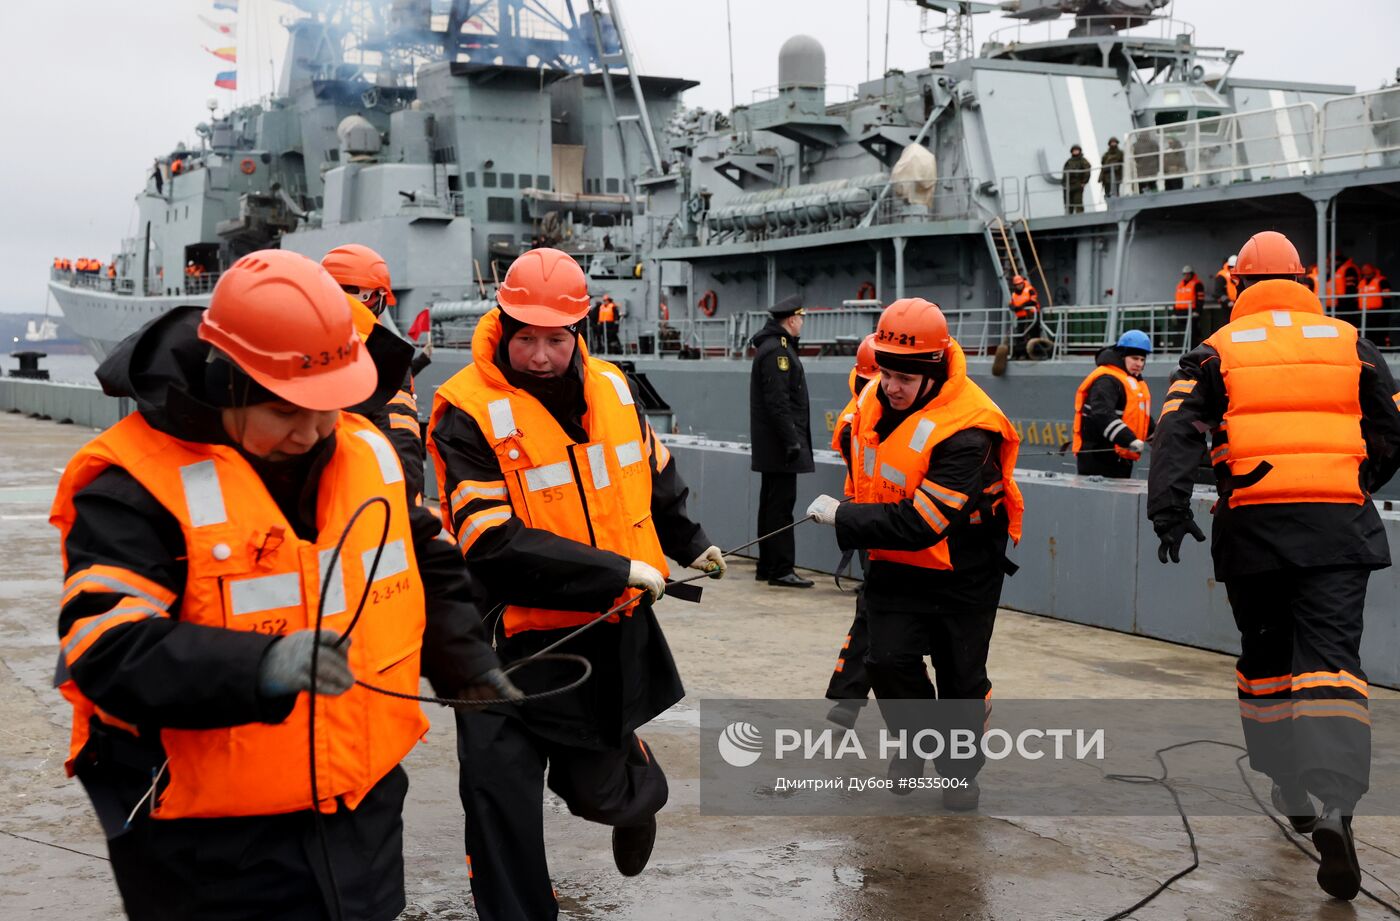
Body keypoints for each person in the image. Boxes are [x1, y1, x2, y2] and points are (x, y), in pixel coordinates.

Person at [50, 249, 517, 921]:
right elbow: (105, 645)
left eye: (329, 407)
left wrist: (467, 664)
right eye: (286, 411)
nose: (313, 431)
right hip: (209, 848)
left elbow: (428, 560)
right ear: (226, 383)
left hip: (361, 822)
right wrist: (261, 665)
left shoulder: (368, 453)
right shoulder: (136, 486)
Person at [427, 247, 723, 921]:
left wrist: (692, 542)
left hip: (598, 631)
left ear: (578, 332)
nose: (538, 354)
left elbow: (653, 477)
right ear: (501, 327)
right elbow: (490, 540)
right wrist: (615, 570)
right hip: (499, 638)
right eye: (524, 337)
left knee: (596, 789)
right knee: (497, 794)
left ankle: (635, 789)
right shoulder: (463, 413)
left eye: (554, 338)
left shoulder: (617, 391)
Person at [1147, 230, 1400, 902]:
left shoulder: (1215, 351)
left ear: (1238, 287)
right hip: (1339, 529)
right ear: (1303, 280)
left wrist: (1169, 513)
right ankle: (1339, 801)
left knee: (1265, 662)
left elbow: (1175, 431)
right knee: (1331, 660)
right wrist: (1354, 476)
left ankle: (1289, 782)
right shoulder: (1349, 342)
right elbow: (1392, 425)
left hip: (1255, 529)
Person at [805, 298, 1023, 812]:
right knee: (887, 662)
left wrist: (844, 517)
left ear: (933, 371)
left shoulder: (969, 429)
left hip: (963, 569)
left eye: (905, 377)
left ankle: (958, 772)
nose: (892, 387)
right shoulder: (870, 404)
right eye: (885, 372)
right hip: (894, 565)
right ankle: (912, 746)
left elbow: (924, 524)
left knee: (961, 680)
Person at [321, 243, 428, 507]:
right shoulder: (383, 354)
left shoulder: (305, 337)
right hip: (367, 502)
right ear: (377, 299)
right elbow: (400, 440)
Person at [825, 333, 880, 730]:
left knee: (874, 608)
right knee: (878, 609)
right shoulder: (858, 420)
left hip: (870, 519)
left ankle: (848, 694)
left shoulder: (852, 414)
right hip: (879, 522)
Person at [749, 294, 815, 588]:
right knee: (780, 508)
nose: (802, 323)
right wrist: (792, 441)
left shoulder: (773, 347)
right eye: (801, 318)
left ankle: (768, 565)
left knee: (770, 506)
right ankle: (781, 569)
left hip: (772, 446)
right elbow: (779, 402)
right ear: (791, 319)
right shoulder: (778, 352)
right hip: (780, 447)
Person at [1072, 329, 1153, 479]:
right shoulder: (1107, 381)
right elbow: (1102, 414)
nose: (1139, 364)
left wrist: (1160, 440)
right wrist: (1128, 439)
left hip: (1120, 461)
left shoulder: (1133, 383)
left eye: (1142, 360)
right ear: (1122, 356)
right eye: (1135, 358)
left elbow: (1142, 419)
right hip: (1097, 463)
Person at [1008, 274, 1041, 359]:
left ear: (1023, 283)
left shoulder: (1030, 290)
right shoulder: (1014, 294)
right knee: (1020, 335)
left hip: (1032, 316)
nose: (1020, 285)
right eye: (1017, 284)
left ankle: (1034, 353)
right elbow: (1011, 304)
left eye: (1021, 283)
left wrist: (1022, 306)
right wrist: (1013, 307)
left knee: (1033, 335)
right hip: (1021, 318)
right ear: (1015, 285)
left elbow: (1033, 301)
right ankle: (1019, 353)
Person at [1358, 263, 1392, 347]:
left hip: (1378, 312)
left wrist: (1385, 312)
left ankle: (1383, 347)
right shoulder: (1362, 282)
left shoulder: (1382, 281)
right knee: (1367, 334)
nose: (1366, 275)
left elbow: (1387, 298)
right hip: (1365, 313)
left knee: (1379, 333)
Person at [1207, 255, 1238, 341]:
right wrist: (1228, 301)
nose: (1233, 268)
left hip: (1239, 304)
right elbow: (1217, 292)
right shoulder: (1222, 276)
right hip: (1227, 306)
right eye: (1232, 267)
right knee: (1227, 325)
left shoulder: (1239, 274)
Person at [1174, 265, 1205, 350]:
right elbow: (1177, 299)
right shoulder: (1180, 285)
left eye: (1188, 274)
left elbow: (1200, 299)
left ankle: (1193, 350)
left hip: (1192, 313)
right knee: (1181, 333)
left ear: (1191, 274)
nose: (1186, 276)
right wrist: (1175, 313)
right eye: (1184, 274)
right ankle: (1182, 349)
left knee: (1193, 333)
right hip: (1180, 313)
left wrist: (1197, 311)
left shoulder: (1197, 284)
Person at [1062, 144, 1091, 214]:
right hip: (1068, 185)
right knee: (1068, 203)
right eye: (1074, 151)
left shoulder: (1083, 161)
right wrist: (1063, 183)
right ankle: (1068, 216)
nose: (1075, 152)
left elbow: (1087, 171)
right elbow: (1064, 173)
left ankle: (1080, 215)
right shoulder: (1069, 161)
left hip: (1078, 184)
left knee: (1078, 201)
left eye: (1077, 150)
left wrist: (1084, 182)